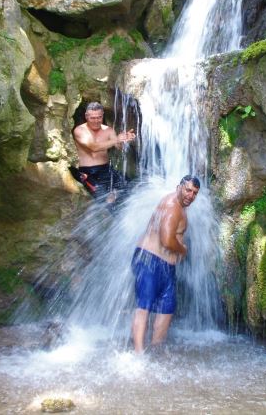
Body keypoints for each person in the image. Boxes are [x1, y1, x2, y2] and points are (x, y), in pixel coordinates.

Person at [130, 175, 200, 353]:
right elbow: (167, 240)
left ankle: (156, 351)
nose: (191, 195)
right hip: (149, 260)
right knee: (144, 307)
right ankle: (138, 357)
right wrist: (184, 250)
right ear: (179, 187)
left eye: (195, 193)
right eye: (188, 190)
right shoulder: (172, 206)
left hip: (165, 266)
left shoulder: (180, 208)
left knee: (166, 309)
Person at [71, 102, 136, 203]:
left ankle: (124, 213)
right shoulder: (80, 131)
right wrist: (116, 140)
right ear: (86, 116)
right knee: (105, 198)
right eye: (93, 118)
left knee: (130, 185)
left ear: (102, 115)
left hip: (106, 170)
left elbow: (119, 147)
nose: (96, 121)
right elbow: (93, 147)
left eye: (99, 117)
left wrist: (124, 140)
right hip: (88, 172)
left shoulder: (108, 130)